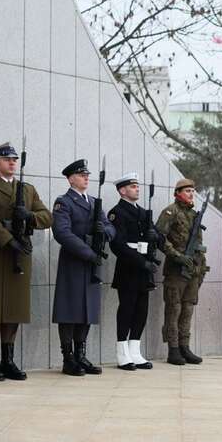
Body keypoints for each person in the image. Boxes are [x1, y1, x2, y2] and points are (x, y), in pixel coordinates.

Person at [0, 143, 52, 382]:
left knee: (14, 308)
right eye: (7, 159)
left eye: (15, 159)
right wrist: (7, 240)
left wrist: (30, 217)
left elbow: (47, 216)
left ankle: (8, 359)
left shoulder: (27, 190)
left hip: (21, 252)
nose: (12, 162)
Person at [51, 159, 116, 376]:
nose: (86, 178)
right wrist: (88, 253)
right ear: (70, 179)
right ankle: (68, 358)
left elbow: (110, 227)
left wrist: (104, 231)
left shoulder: (94, 202)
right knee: (69, 310)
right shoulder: (64, 202)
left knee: (87, 309)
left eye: (87, 175)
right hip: (74, 261)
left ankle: (81, 355)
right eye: (81, 175)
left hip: (91, 264)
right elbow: (62, 232)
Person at [108, 173, 163, 370]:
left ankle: (135, 351)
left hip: (144, 269)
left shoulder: (143, 212)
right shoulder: (117, 213)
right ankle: (122, 354)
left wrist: (154, 235)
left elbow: (159, 238)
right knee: (127, 310)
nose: (137, 189)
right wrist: (142, 262)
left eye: (138, 186)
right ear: (122, 190)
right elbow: (118, 245)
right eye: (132, 186)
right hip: (129, 268)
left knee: (141, 311)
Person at [157, 178, 209, 366]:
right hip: (176, 270)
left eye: (193, 191)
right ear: (177, 193)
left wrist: (201, 267)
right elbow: (159, 237)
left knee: (187, 309)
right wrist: (177, 256)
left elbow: (197, 244)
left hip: (193, 269)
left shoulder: (194, 215)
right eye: (187, 191)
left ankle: (185, 347)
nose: (191, 194)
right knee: (174, 309)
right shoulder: (170, 211)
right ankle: (173, 349)